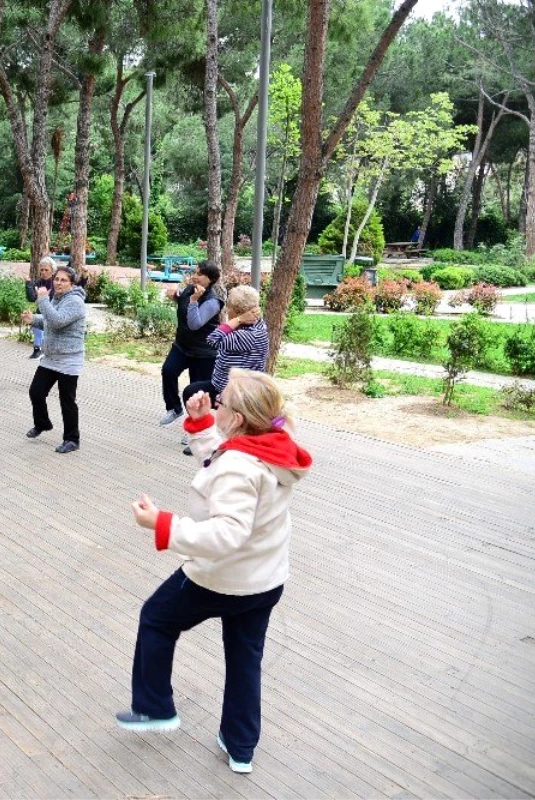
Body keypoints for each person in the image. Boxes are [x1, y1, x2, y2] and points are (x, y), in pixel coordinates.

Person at [118, 370, 312, 774]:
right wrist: (203, 424)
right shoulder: (272, 447)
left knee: (156, 618)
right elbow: (223, 463)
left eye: (220, 402)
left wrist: (161, 523)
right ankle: (241, 748)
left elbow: (226, 532)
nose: (214, 401)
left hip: (223, 578)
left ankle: (154, 709)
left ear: (238, 419)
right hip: (265, 579)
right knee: (245, 659)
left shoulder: (240, 464)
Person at [179, 285, 269, 455]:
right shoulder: (259, 326)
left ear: (236, 311)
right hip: (230, 386)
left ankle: (210, 438)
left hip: (235, 392)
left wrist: (239, 319)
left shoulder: (244, 335)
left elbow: (213, 339)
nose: (227, 309)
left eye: (229, 307)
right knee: (192, 392)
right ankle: (206, 435)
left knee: (195, 396)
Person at [22, 265, 86, 454]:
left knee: (67, 401)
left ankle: (72, 439)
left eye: (63, 280)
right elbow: (50, 320)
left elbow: (57, 321)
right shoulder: (57, 299)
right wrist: (33, 319)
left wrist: (41, 299)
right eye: (56, 279)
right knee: (36, 392)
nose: (58, 283)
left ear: (72, 283)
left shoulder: (75, 302)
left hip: (69, 360)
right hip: (51, 358)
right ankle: (43, 424)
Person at [158, 262, 224, 427]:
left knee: (196, 392)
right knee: (168, 371)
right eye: (195, 272)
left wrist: (194, 300)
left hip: (203, 353)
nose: (195, 276)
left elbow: (196, 323)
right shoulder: (190, 289)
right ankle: (174, 408)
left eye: (200, 274)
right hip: (182, 345)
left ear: (210, 280)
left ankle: (197, 425)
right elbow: (183, 305)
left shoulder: (213, 302)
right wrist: (174, 296)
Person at [24, 257, 56, 359]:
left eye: (46, 270)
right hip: (41, 310)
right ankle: (37, 350)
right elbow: (31, 298)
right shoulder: (38, 282)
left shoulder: (56, 282)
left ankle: (47, 351)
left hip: (54, 311)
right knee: (36, 326)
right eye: (41, 270)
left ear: (52, 270)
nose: (43, 272)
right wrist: (28, 284)